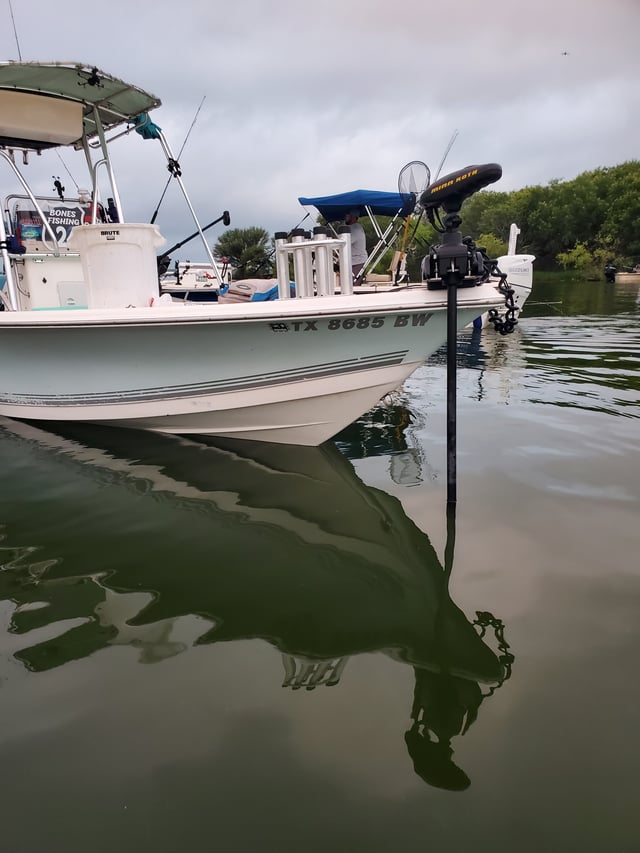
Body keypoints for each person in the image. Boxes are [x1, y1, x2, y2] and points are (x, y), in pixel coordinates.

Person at [344, 209, 367, 280]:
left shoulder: (355, 229)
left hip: (357, 262)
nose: (345, 217)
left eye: (347, 216)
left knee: (353, 286)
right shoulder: (356, 227)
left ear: (353, 217)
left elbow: (344, 243)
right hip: (354, 262)